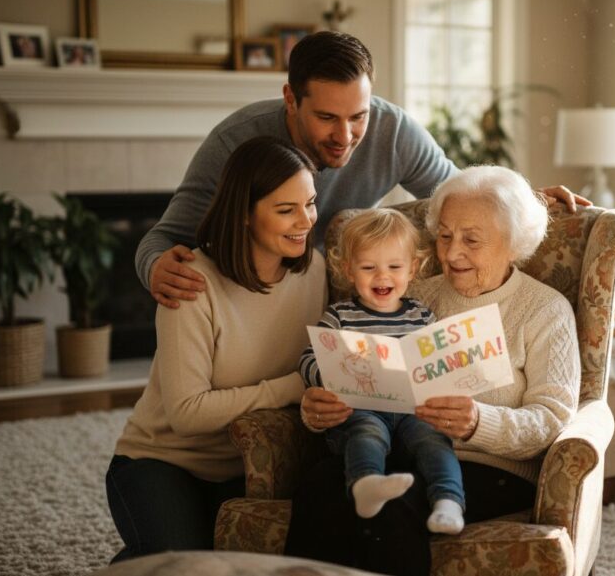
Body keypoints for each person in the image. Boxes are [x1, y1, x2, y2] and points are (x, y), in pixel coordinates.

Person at [136, 30, 586, 310]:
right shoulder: (235, 141)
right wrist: (155, 265)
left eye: (358, 116)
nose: (346, 135)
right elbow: (162, 237)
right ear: (291, 100)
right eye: (327, 118)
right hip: (250, 296)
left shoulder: (392, 130)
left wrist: (526, 201)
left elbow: (463, 194)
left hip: (341, 296)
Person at [286, 165, 582, 575]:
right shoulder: (414, 296)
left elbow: (552, 418)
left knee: (394, 510)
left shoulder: (545, 310)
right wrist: (321, 408)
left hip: (489, 467)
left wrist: (480, 421)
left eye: (471, 240)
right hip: (394, 445)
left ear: (513, 244)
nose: (451, 253)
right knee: (319, 485)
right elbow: (362, 370)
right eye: (444, 236)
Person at [105, 136, 327, 562]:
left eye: (310, 203)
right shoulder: (190, 283)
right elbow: (187, 414)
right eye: (286, 210)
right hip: (162, 462)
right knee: (183, 568)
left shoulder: (314, 271)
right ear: (244, 215)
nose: (306, 221)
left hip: (251, 465)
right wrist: (290, 388)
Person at [298, 208, 466, 535]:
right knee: (366, 433)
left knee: (435, 441)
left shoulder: (421, 316)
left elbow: (440, 361)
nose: (382, 277)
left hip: (412, 411)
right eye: (368, 267)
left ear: (413, 269)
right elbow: (307, 357)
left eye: (394, 266)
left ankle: (448, 502)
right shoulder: (340, 317)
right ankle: (365, 484)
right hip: (362, 408)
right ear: (348, 270)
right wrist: (328, 376)